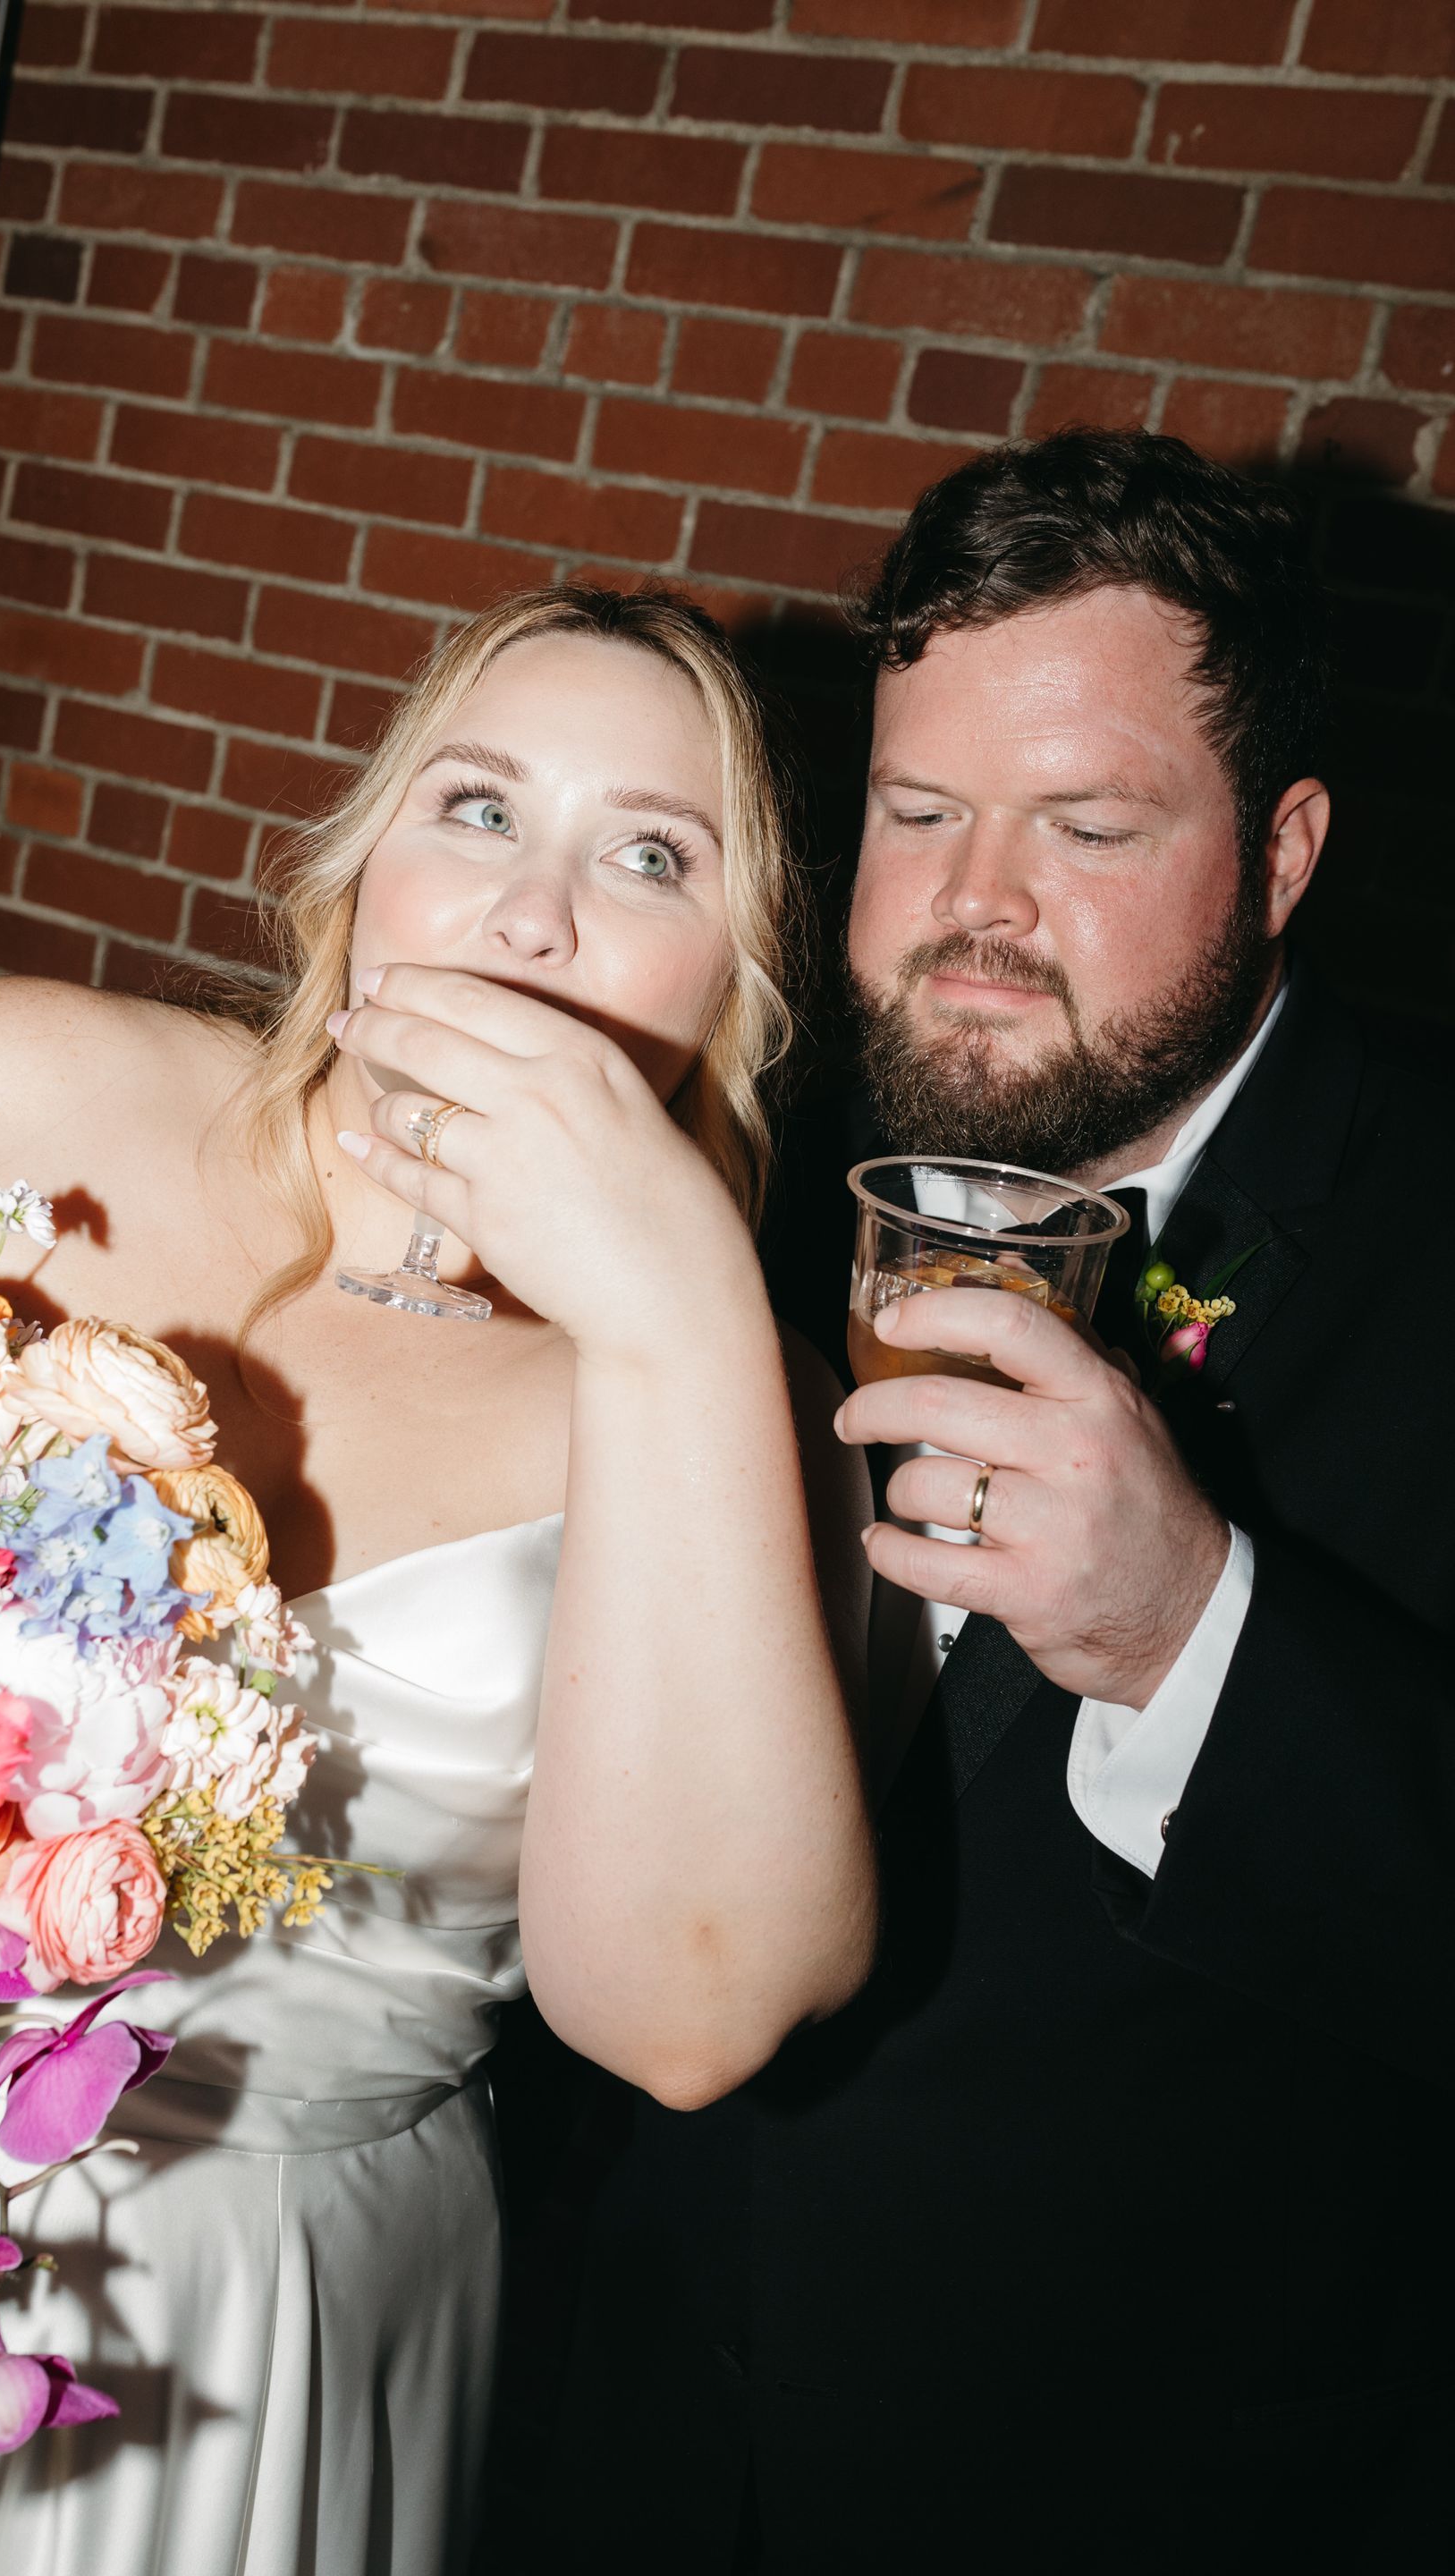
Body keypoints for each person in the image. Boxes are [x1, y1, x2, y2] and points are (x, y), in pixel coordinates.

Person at [0, 586, 876, 2576]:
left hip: (239, 2332)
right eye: (476, 807)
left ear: (740, 980)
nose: (533, 915)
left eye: (648, 855)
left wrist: (678, 1311)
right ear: (358, 872)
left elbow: (695, 2019)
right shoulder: (18, 1083)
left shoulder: (731, 1405)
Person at [546, 432, 1454, 2571]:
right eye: (923, 811)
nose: (975, 907)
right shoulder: (714, 1161)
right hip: (605, 2418)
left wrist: (1188, 1633)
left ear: (1286, 847)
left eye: (1092, 826)